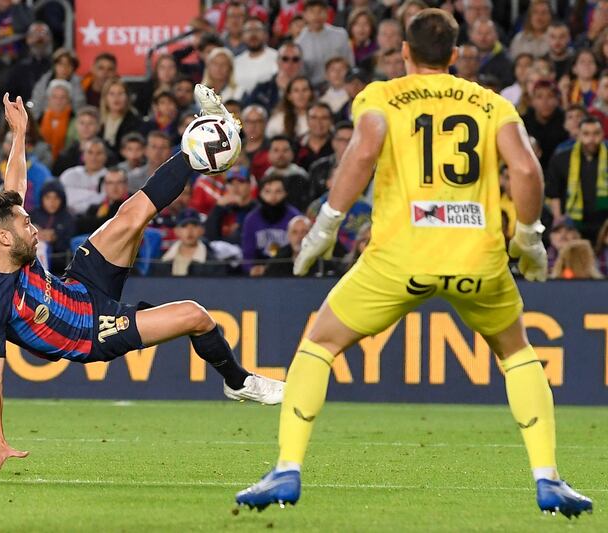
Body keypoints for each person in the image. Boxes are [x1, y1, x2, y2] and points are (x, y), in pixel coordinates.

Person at [235, 9, 594, 518]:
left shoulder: (381, 96)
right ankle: (548, 478)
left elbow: (361, 154)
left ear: (404, 51)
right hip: (478, 257)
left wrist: (324, 227)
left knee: (319, 343)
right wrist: (531, 239)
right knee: (517, 353)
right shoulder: (491, 104)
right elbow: (526, 168)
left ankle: (288, 467)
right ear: (454, 54)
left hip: (400, 257)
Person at [0, 91, 283, 482]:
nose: (33, 229)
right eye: (26, 227)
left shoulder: (2, 232)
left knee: (132, 213)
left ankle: (198, 147)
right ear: (3, 239)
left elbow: (13, 179)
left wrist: (19, 133)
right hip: (92, 332)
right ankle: (240, 383)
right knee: (196, 316)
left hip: (79, 285)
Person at [546, 115, 608, 242]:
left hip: (605, 224)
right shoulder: (561, 159)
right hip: (572, 225)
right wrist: (560, 223)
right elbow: (554, 193)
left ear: (602, 135)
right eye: (586, 134)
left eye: (596, 133)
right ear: (578, 135)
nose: (591, 139)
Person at [241, 174, 301, 276]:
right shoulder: (251, 219)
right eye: (267, 192)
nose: (273, 197)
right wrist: (251, 269)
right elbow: (247, 256)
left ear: (285, 193)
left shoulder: (296, 218)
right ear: (260, 194)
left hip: (288, 272)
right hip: (259, 275)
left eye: (278, 191)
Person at [151, 208, 226, 277]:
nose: (189, 231)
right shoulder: (162, 261)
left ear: (202, 230)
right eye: (184, 226)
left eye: (194, 225)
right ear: (176, 231)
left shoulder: (214, 264)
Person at [296, 0, 354, 87]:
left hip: (342, 85)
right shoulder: (299, 44)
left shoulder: (340, 35)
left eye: (320, 11)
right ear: (304, 15)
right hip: (313, 89)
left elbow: (350, 64)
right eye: (312, 11)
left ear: (327, 13)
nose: (316, 16)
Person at [233, 19, 278, 98]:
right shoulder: (236, 62)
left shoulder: (278, 58)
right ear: (242, 36)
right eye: (248, 30)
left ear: (265, 34)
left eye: (257, 30)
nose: (253, 34)